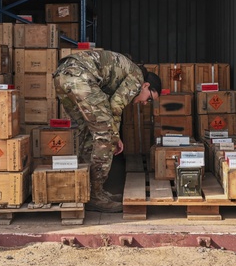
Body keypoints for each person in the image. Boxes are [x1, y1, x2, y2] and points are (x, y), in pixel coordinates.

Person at [53, 49, 161, 212]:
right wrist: (115, 136)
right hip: (80, 77)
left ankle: (87, 190)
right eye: (150, 98)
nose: (146, 103)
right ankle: (95, 196)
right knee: (105, 137)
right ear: (146, 85)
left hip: (62, 77)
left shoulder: (128, 71)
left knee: (89, 132)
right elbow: (115, 107)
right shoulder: (137, 78)